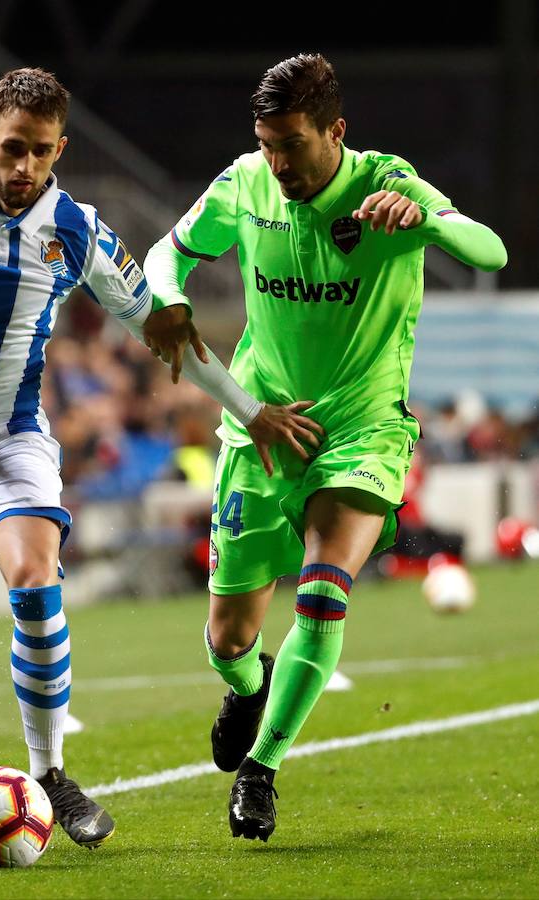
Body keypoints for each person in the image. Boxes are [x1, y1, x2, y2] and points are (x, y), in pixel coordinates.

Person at [0, 68, 319, 851]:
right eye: (11, 150)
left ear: (59, 149)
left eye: (41, 153)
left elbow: (168, 330)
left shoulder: (76, 230)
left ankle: (48, 773)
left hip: (13, 441)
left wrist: (251, 411)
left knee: (36, 577)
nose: (24, 169)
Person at [142, 52, 507, 842]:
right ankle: (247, 688)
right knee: (229, 638)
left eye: (293, 144)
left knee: (321, 591)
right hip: (259, 429)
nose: (278, 163)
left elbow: (490, 251)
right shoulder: (244, 183)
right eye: (267, 143)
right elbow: (166, 252)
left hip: (363, 428)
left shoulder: (390, 183)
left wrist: (430, 221)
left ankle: (261, 770)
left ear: (335, 132)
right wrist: (170, 299)